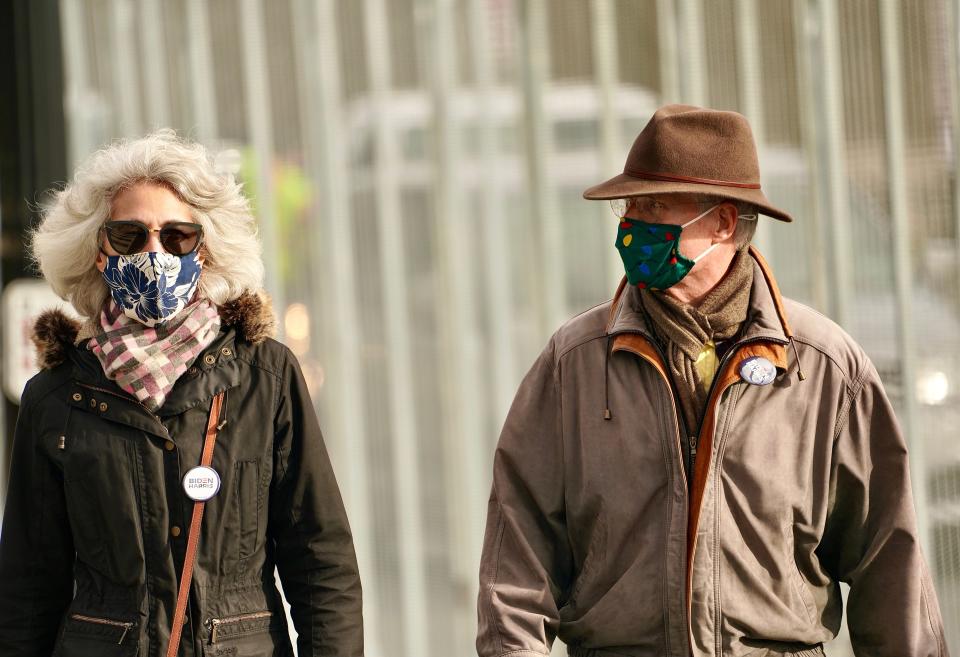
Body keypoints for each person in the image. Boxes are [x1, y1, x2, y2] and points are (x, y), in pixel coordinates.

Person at [476, 105, 949, 657]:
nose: (632, 224)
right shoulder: (574, 364)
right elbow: (518, 557)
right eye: (630, 206)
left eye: (654, 206)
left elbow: (888, 562)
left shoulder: (824, 367)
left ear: (723, 222)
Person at [0, 131, 363, 657]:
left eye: (177, 237)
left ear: (206, 250)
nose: (154, 253)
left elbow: (320, 557)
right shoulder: (55, 396)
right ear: (99, 251)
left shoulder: (266, 375)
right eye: (129, 236)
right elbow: (28, 587)